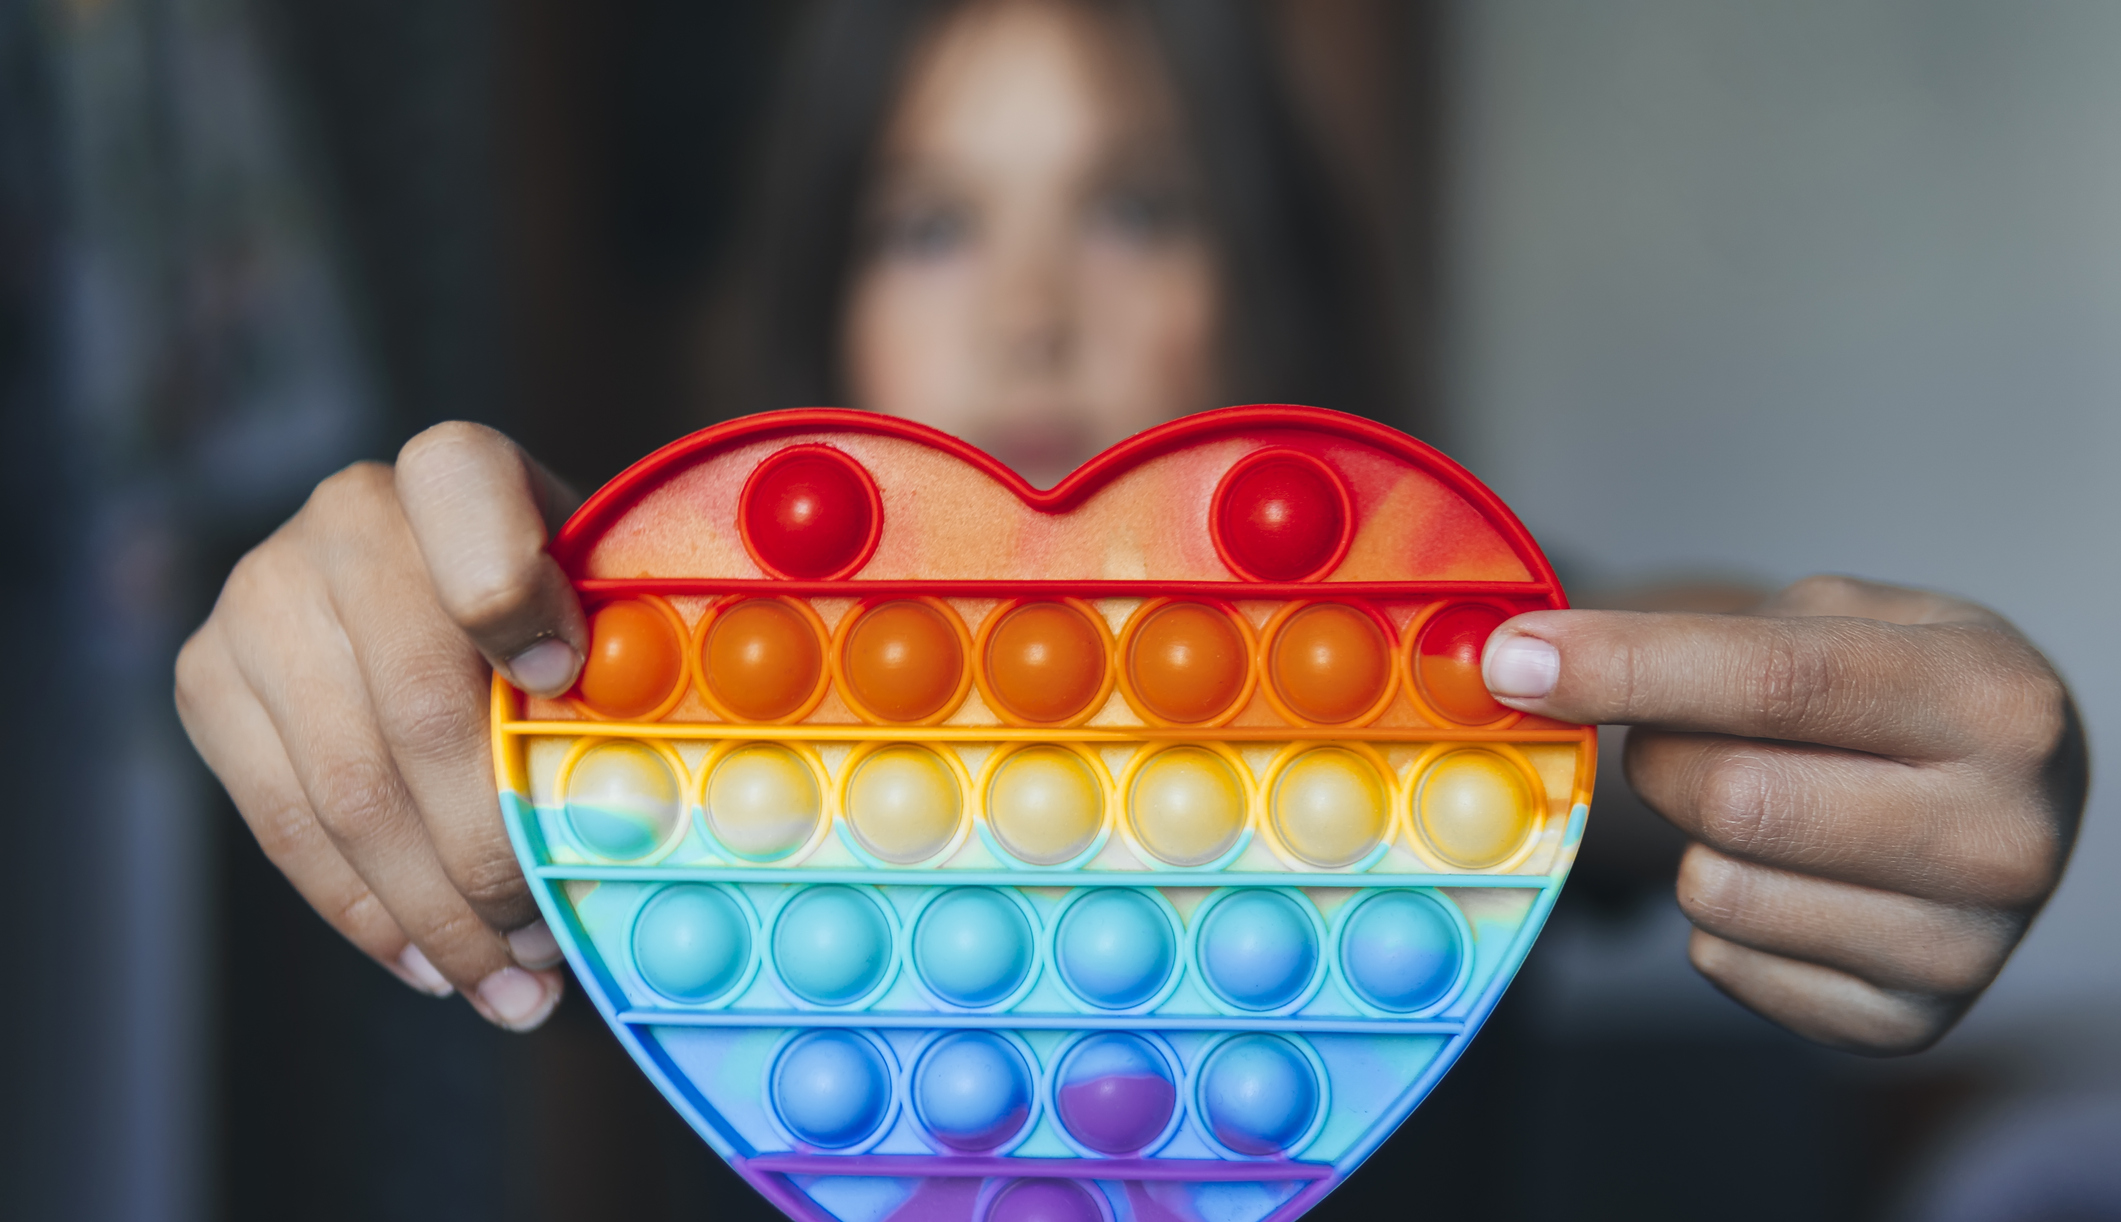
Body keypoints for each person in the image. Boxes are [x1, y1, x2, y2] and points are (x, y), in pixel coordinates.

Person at [173, 0, 2085, 1067]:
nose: (1027, 313)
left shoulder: (1402, 682)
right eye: (929, 224)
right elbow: (467, 645)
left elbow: (1612, 670)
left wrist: (1825, 725)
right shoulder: (667, 714)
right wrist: (362, 625)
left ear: (1257, 282)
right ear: (823, 306)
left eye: (1136, 211)